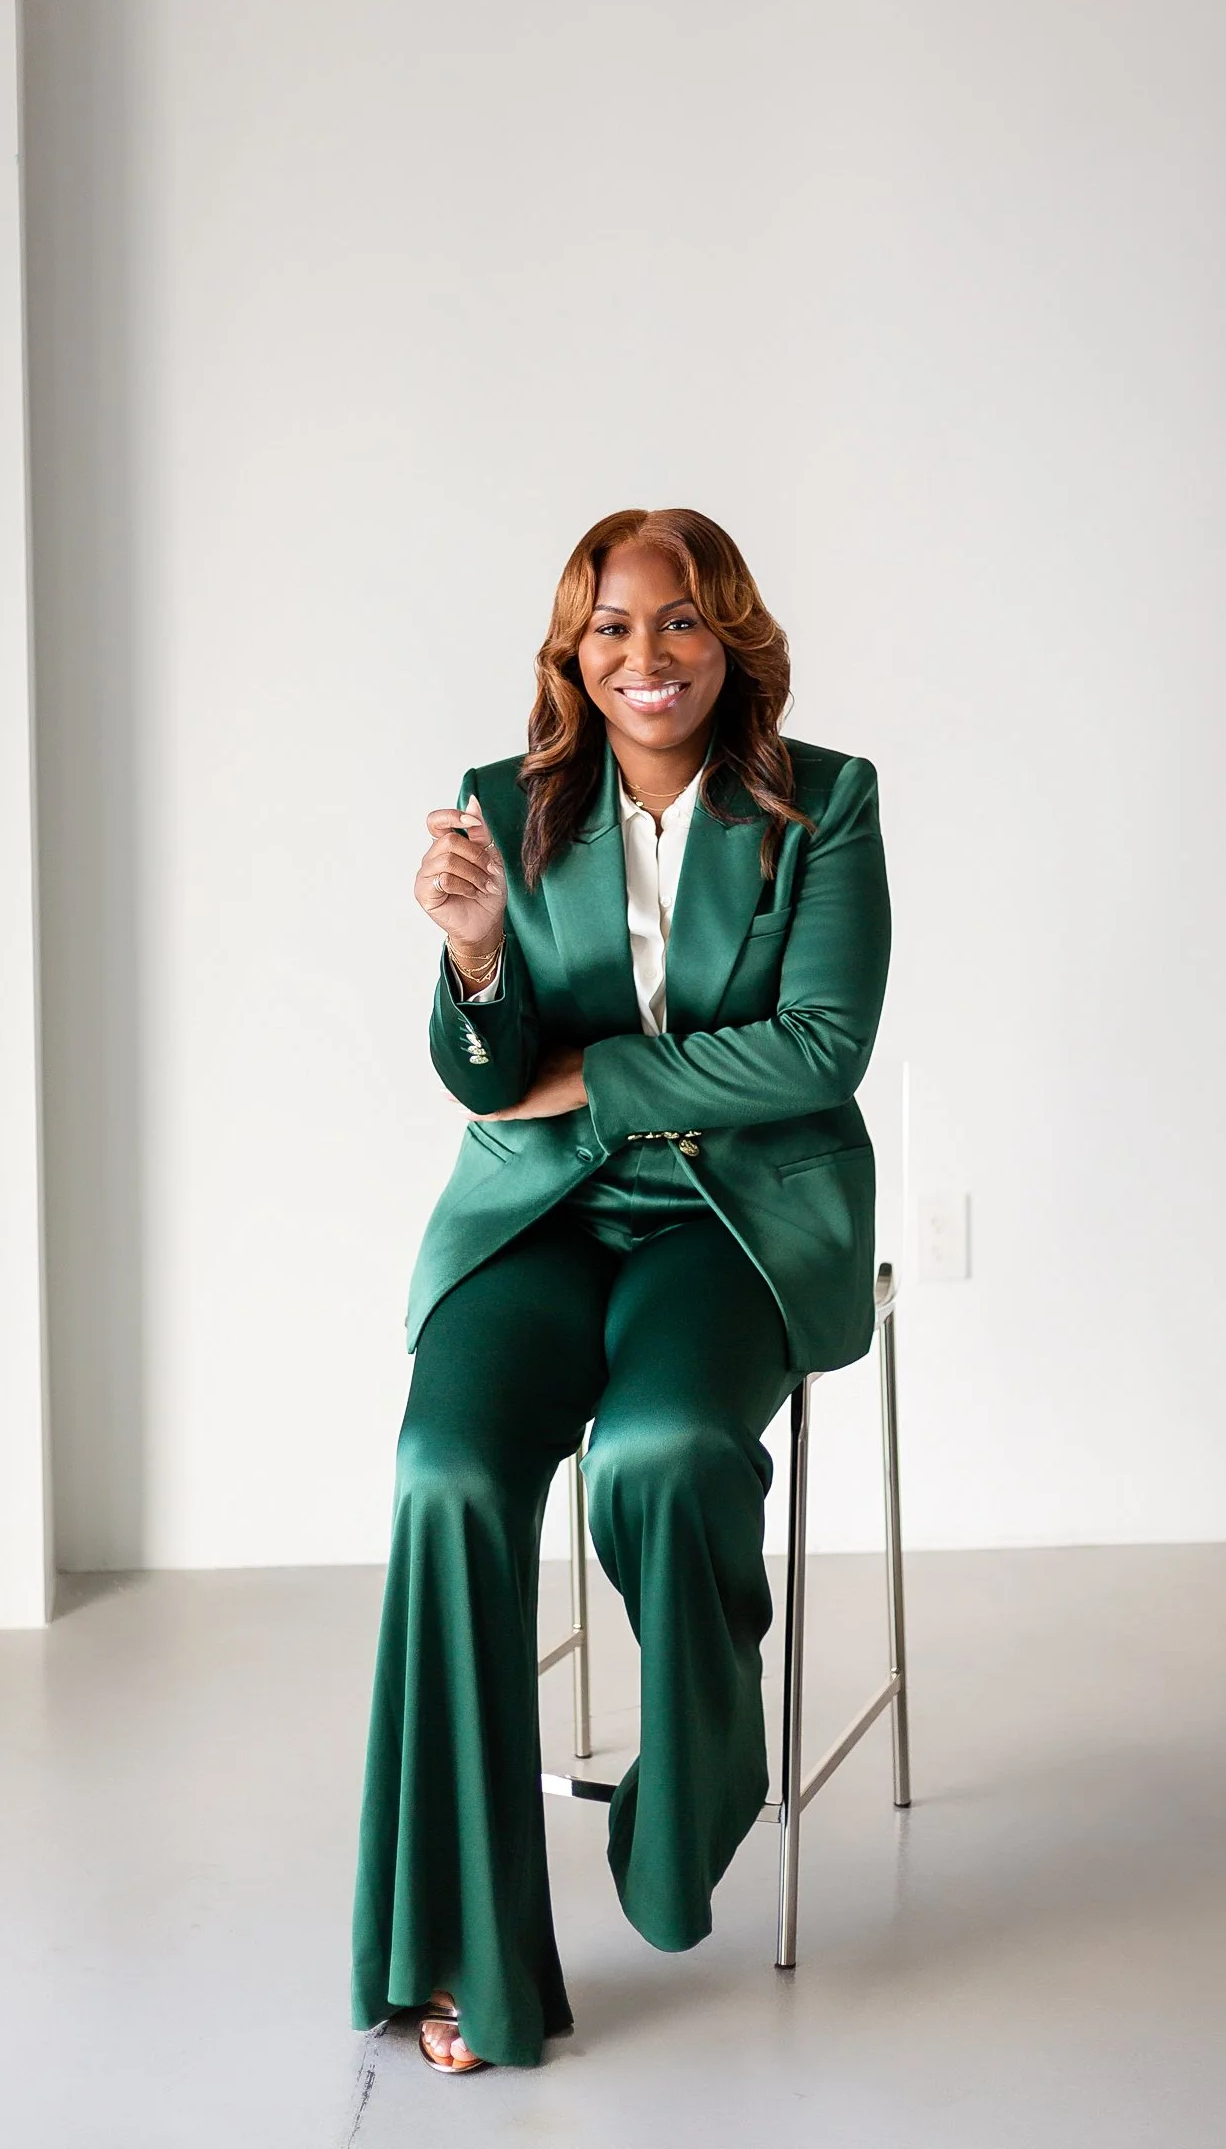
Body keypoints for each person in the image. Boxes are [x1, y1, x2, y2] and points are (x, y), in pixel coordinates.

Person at [350, 506, 892, 2073]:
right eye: (610, 630)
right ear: (571, 657)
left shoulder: (826, 806)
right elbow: (486, 1086)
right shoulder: (502, 806)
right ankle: (460, 1952)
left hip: (729, 1226)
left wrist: (594, 1077)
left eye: (678, 623)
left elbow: (819, 1050)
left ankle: (694, 1791)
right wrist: (472, 962)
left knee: (664, 1453)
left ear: (733, 636)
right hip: (539, 1225)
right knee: (443, 1473)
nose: (645, 658)